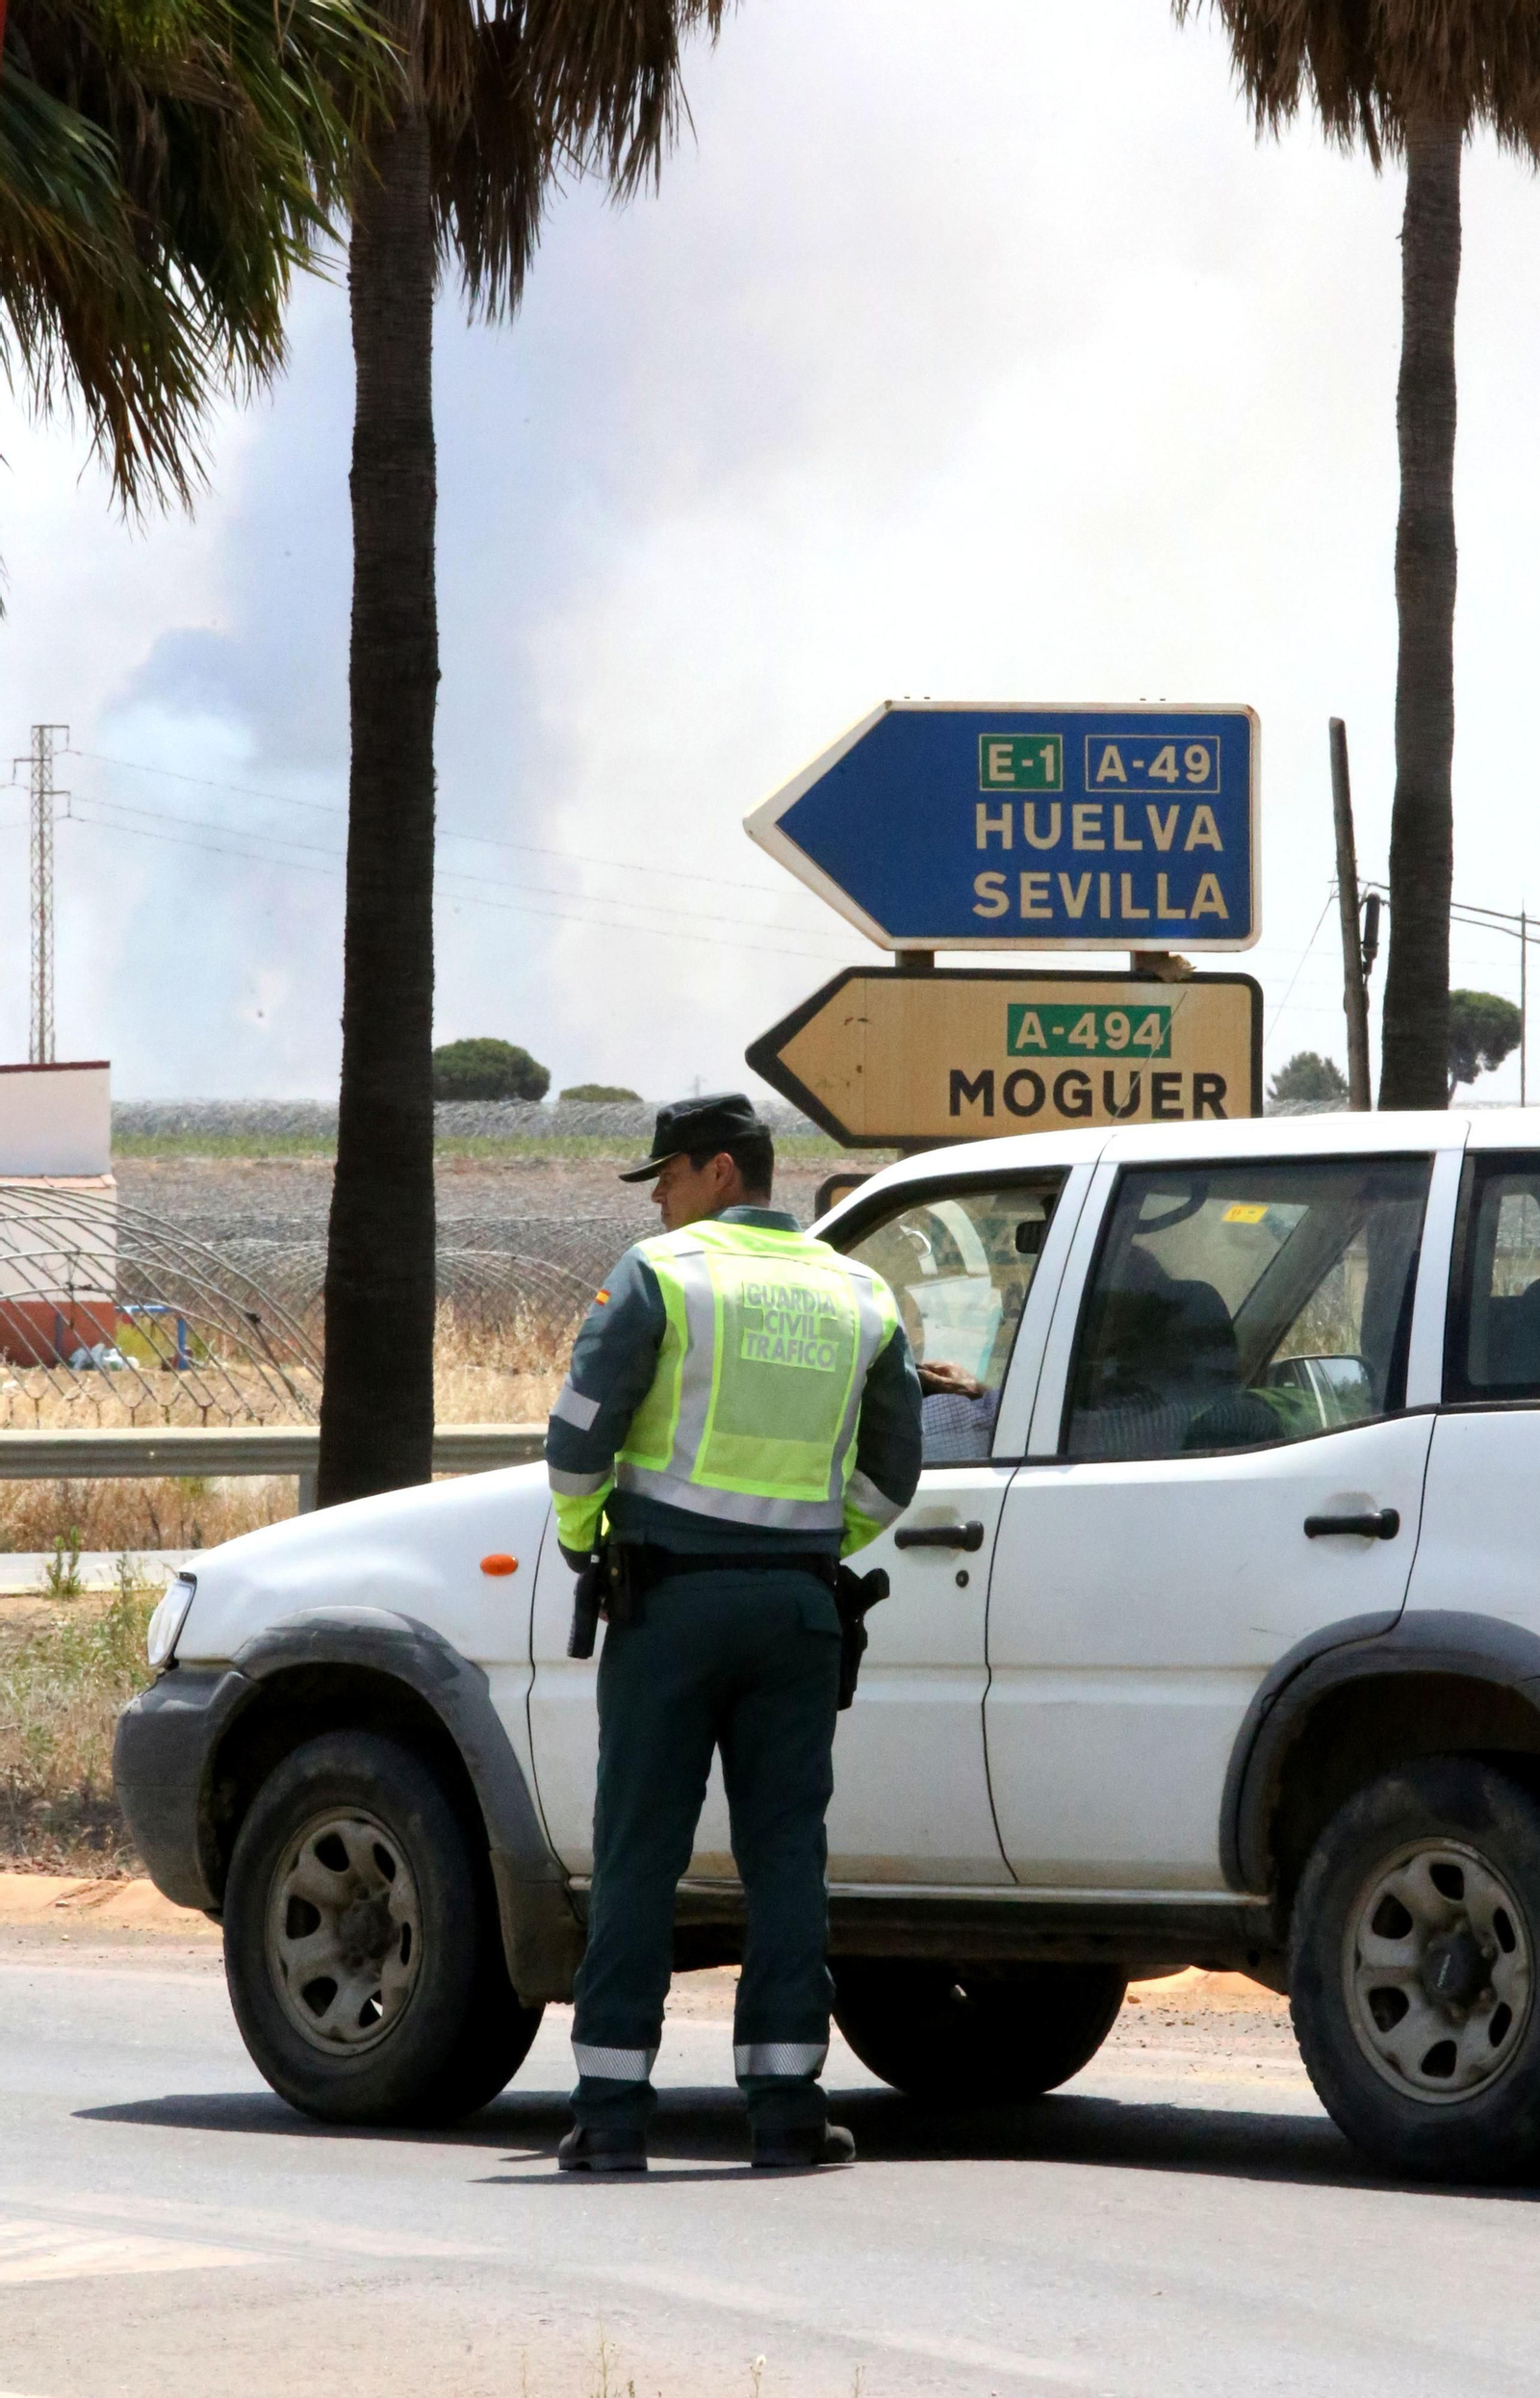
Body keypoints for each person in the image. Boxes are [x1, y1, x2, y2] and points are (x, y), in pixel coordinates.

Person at [545, 1092, 923, 2174]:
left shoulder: (665, 1276)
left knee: (638, 1852)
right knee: (786, 1855)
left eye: (666, 1175)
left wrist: (589, 1538)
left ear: (719, 1172)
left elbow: (577, 1440)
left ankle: (613, 2115)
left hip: (667, 1602)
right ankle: (786, 2110)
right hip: (798, 1608)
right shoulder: (860, 1288)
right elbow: (894, 1472)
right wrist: (804, 1534)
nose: (657, 1197)